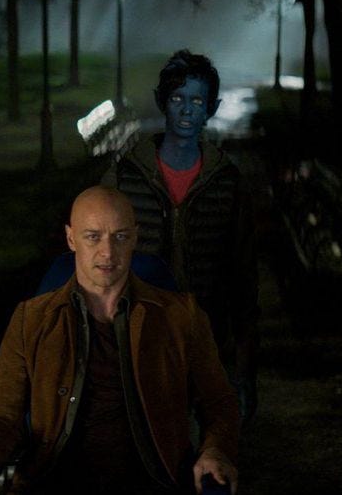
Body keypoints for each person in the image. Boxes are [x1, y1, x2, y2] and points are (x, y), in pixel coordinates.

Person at [0, 186, 239, 494]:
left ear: (135, 237)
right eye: (93, 237)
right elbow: (1, 412)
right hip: (53, 482)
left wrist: (216, 449)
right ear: (71, 238)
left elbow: (219, 402)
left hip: (152, 481)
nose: (108, 252)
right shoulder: (31, 320)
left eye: (120, 236)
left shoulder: (181, 316)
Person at [102, 49, 259, 423]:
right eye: (177, 99)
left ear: (211, 108)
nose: (187, 110)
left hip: (207, 341)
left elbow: (243, 277)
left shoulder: (228, 183)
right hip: (137, 344)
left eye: (197, 101)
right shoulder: (124, 178)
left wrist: (244, 367)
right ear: (162, 102)